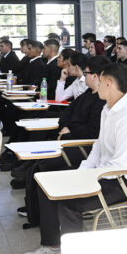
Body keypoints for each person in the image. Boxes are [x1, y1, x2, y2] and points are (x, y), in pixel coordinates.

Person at [24, 63, 127, 254]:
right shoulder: (107, 108)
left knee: (70, 204)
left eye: (99, 81)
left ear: (108, 83)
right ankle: (52, 247)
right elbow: (98, 149)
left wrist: (84, 181)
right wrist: (81, 173)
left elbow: (120, 165)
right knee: (48, 187)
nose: (96, 84)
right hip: (103, 173)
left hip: (123, 180)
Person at [19, 56, 110, 229]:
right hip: (71, 140)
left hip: (84, 147)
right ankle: (34, 211)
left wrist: (70, 133)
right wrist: (65, 127)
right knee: (35, 166)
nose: (85, 76)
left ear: (97, 76)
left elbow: (93, 131)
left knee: (43, 168)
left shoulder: (101, 100)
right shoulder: (86, 94)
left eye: (87, 73)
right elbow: (67, 112)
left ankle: (38, 214)